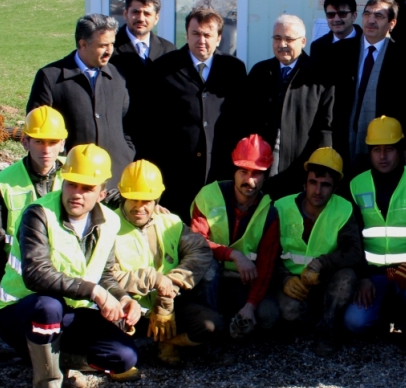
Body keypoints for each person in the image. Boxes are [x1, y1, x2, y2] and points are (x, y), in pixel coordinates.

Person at [0, 144, 142, 388]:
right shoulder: (38, 213)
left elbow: (106, 273)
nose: (77, 193)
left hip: (70, 313)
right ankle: (47, 386)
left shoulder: (109, 222)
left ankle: (58, 362)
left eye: (87, 188)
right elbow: (36, 273)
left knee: (124, 357)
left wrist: (123, 298)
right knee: (48, 307)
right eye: (72, 184)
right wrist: (95, 292)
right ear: (63, 181)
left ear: (101, 192)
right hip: (20, 312)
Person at [110, 160, 221, 368]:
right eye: (134, 199)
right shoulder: (109, 226)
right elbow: (106, 275)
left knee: (212, 325)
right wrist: (155, 280)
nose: (139, 207)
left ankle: (164, 341)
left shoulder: (169, 222)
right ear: (123, 195)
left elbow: (201, 250)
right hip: (131, 309)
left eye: (147, 201)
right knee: (116, 350)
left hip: (170, 306)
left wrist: (170, 286)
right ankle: (145, 343)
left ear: (156, 200)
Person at [344, 116, 406, 355]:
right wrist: (362, 277)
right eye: (376, 150)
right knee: (354, 323)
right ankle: (382, 317)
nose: (383, 156)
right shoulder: (356, 185)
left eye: (389, 149)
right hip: (373, 275)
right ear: (369, 152)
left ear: (400, 150)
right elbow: (354, 240)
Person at [149, 8, 249, 219]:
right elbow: (153, 124)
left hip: (219, 171)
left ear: (219, 38)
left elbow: (242, 120)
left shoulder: (234, 70)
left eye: (207, 35)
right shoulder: (164, 68)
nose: (201, 40)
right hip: (177, 174)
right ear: (187, 34)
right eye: (195, 34)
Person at [265, 148, 362, 356]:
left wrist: (321, 264)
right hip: (293, 282)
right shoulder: (281, 208)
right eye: (313, 183)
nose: (318, 190)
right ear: (304, 184)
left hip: (326, 281)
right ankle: (317, 319)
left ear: (335, 188)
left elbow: (354, 252)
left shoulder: (343, 209)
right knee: (289, 312)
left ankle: (327, 330)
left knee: (347, 277)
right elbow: (266, 253)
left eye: (325, 185)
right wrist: (283, 279)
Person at [27, 14, 135, 189]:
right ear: (82, 44)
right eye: (102, 45)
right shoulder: (51, 77)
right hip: (72, 184)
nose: (110, 51)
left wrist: (126, 154)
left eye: (112, 44)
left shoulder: (118, 76)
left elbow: (128, 124)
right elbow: (37, 132)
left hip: (114, 182)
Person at [190, 135, 280, 341]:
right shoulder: (208, 196)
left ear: (266, 176)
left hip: (242, 282)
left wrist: (250, 306)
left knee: (269, 316)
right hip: (208, 281)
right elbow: (197, 243)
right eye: (244, 172)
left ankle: (234, 319)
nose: (250, 180)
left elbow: (266, 268)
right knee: (208, 266)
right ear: (234, 171)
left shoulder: (269, 213)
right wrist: (233, 255)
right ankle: (211, 329)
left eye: (257, 173)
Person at [325, 0, 406, 172]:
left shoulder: (405, 58)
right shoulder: (340, 52)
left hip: (384, 149)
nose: (371, 20)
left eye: (379, 16)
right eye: (367, 14)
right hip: (342, 143)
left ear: (392, 23)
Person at [246, 15, 334, 197]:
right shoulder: (259, 72)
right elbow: (246, 120)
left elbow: (326, 127)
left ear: (303, 41)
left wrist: (317, 169)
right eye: (277, 38)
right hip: (261, 169)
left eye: (289, 39)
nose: (282, 44)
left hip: (301, 169)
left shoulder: (320, 76)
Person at [0, 106, 68, 282]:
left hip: (66, 273)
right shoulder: (5, 181)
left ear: (62, 144)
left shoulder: (74, 174)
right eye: (39, 142)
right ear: (25, 142)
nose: (46, 150)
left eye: (52, 142)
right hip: (18, 275)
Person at [110, 0, 176, 151]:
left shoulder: (169, 50)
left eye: (147, 13)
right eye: (135, 12)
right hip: (121, 138)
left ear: (156, 18)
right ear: (125, 14)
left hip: (160, 142)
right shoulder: (109, 49)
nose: (141, 18)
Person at [310, 0, 362, 64]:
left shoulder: (367, 44)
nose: (336, 19)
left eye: (342, 14)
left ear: (354, 16)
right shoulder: (317, 47)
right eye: (331, 15)